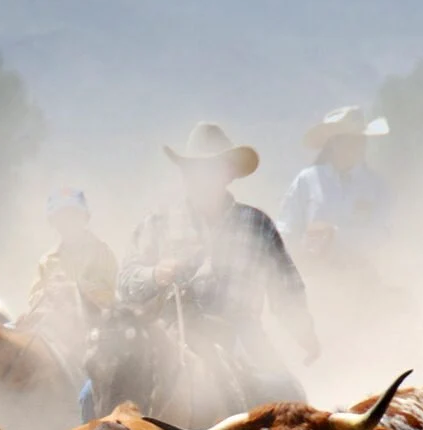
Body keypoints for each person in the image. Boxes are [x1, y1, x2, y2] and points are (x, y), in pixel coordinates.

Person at [118, 122, 319, 406]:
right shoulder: (158, 223)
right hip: (171, 333)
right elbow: (125, 283)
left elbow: (285, 287)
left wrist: (304, 332)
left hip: (241, 333)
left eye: (212, 169)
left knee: (288, 396)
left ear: (229, 174)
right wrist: (155, 274)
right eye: (194, 170)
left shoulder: (256, 224)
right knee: (94, 393)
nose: (202, 178)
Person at [278, 105, 391, 258]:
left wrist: (335, 237)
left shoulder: (376, 186)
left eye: (359, 139)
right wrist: (302, 244)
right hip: (312, 269)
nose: (356, 145)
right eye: (348, 139)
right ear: (333, 143)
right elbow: (286, 227)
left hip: (360, 271)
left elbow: (383, 234)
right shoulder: (306, 180)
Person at [24, 187, 119, 360]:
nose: (68, 222)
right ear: (54, 223)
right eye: (62, 218)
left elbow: (108, 296)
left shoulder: (102, 253)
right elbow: (33, 300)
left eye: (73, 216)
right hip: (56, 333)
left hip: (96, 332)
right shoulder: (47, 260)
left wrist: (75, 289)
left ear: (84, 218)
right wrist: (48, 293)